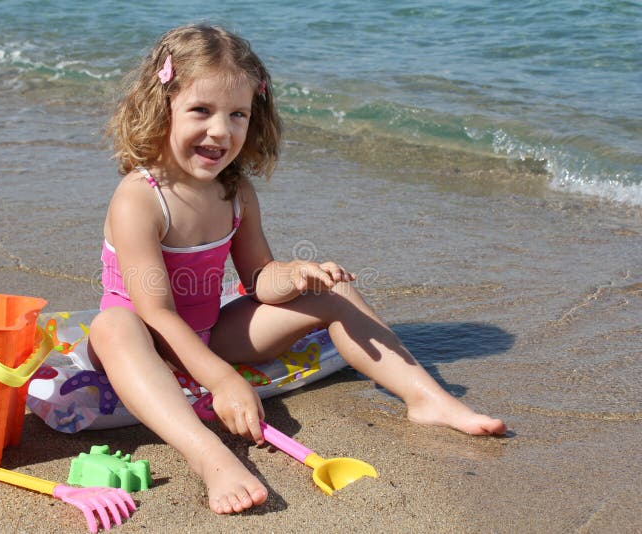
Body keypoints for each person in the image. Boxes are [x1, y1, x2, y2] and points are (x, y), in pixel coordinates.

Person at [88, 24, 506, 515]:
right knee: (113, 326)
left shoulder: (235, 192)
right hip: (144, 342)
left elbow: (257, 276)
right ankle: (209, 457)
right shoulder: (140, 198)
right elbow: (156, 313)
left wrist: (294, 275)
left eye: (237, 114)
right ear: (163, 108)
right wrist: (223, 381)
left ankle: (426, 398)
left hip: (208, 332)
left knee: (336, 293)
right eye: (201, 110)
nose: (221, 131)